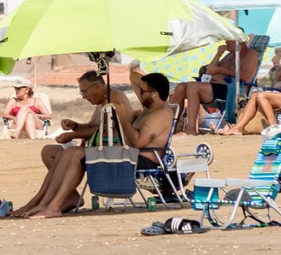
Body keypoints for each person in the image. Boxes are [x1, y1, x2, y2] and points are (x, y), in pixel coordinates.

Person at [11, 64, 171, 219]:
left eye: (142, 91)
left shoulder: (160, 114)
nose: (139, 94)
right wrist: (129, 67)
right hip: (129, 154)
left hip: (140, 159)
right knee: (56, 152)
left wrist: (122, 115)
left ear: (154, 95)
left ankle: (52, 206)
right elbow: (135, 78)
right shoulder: (149, 108)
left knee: (74, 153)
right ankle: (45, 203)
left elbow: (137, 142)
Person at [168, 41, 261, 133]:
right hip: (216, 87)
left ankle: (191, 129)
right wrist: (218, 55)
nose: (226, 42)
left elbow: (247, 77)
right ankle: (170, 128)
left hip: (232, 90)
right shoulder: (229, 56)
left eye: (229, 40)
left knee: (193, 87)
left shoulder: (250, 54)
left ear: (239, 41)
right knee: (180, 87)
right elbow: (209, 71)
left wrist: (221, 70)